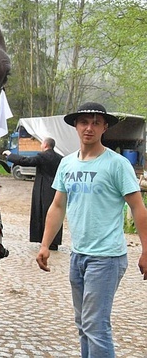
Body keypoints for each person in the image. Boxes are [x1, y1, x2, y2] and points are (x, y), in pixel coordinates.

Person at [36, 102, 147, 358]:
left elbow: (138, 208)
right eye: (84, 121)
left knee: (96, 326)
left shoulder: (117, 164)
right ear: (75, 125)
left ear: (104, 127)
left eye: (96, 122)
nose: (89, 127)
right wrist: (44, 245)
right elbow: (57, 206)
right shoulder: (67, 164)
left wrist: (145, 250)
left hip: (107, 258)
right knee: (83, 325)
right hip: (78, 256)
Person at [3, 137, 63, 250]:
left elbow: (26, 161)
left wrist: (10, 155)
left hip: (42, 189)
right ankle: (54, 242)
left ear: (45, 145)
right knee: (54, 215)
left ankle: (44, 240)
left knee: (42, 213)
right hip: (55, 189)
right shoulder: (60, 158)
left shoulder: (42, 156)